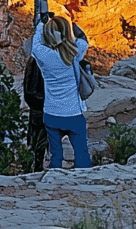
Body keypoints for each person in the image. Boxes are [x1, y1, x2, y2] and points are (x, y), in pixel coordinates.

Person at [30, 12, 92, 169]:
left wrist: (41, 24)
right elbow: (83, 38)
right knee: (81, 153)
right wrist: (72, 26)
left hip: (51, 113)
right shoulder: (74, 53)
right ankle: (83, 182)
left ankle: (54, 184)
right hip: (73, 114)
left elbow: (35, 44)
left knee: (55, 154)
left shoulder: (44, 55)